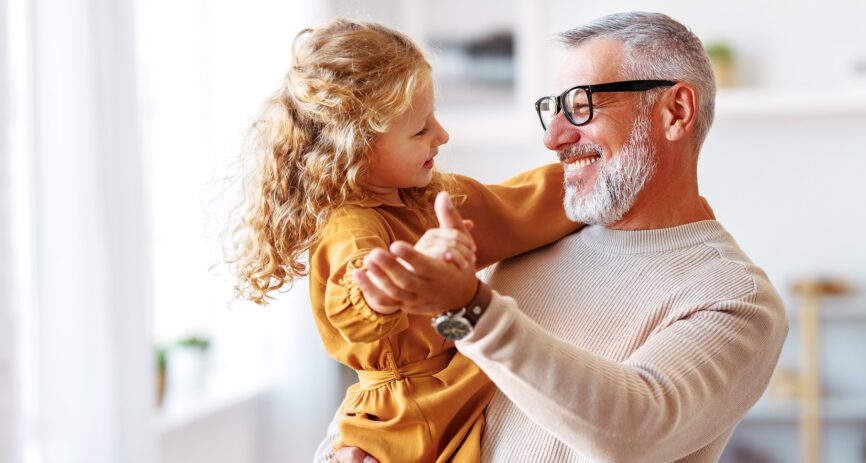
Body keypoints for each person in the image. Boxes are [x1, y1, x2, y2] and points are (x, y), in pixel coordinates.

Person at [320, 12, 789, 463]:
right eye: (553, 109)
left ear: (675, 110)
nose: (554, 137)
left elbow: (633, 430)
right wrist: (345, 452)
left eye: (581, 105)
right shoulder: (531, 241)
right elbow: (417, 383)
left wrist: (468, 308)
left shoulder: (735, 298)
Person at [224, 19, 583, 463]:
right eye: (420, 130)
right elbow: (358, 296)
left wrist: (594, 178)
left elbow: (516, 205)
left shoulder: (431, 198)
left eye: (434, 117)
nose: (443, 134)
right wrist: (395, 282)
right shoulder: (349, 225)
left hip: (452, 384)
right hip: (405, 420)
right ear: (355, 147)